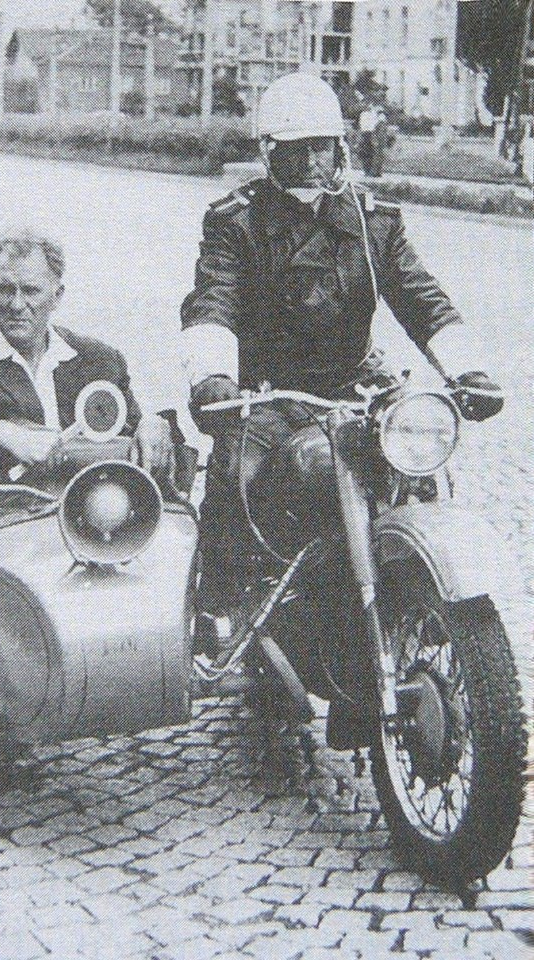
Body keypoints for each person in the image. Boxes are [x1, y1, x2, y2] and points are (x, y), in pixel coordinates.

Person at [181, 73, 504, 655]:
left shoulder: (371, 220)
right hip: (271, 394)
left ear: (340, 148)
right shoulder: (237, 221)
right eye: (298, 148)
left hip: (359, 385)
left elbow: (420, 296)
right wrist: (213, 377)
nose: (313, 161)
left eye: (323, 146)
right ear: (269, 151)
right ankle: (219, 606)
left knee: (419, 464)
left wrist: (466, 370)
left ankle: (416, 588)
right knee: (235, 469)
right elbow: (214, 297)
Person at [0, 227, 172, 675]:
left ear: (57, 295)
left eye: (31, 291)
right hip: (4, 528)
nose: (17, 304)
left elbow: (129, 422)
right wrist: (5, 434)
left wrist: (153, 424)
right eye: (5, 289)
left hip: (97, 521)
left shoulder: (98, 359)